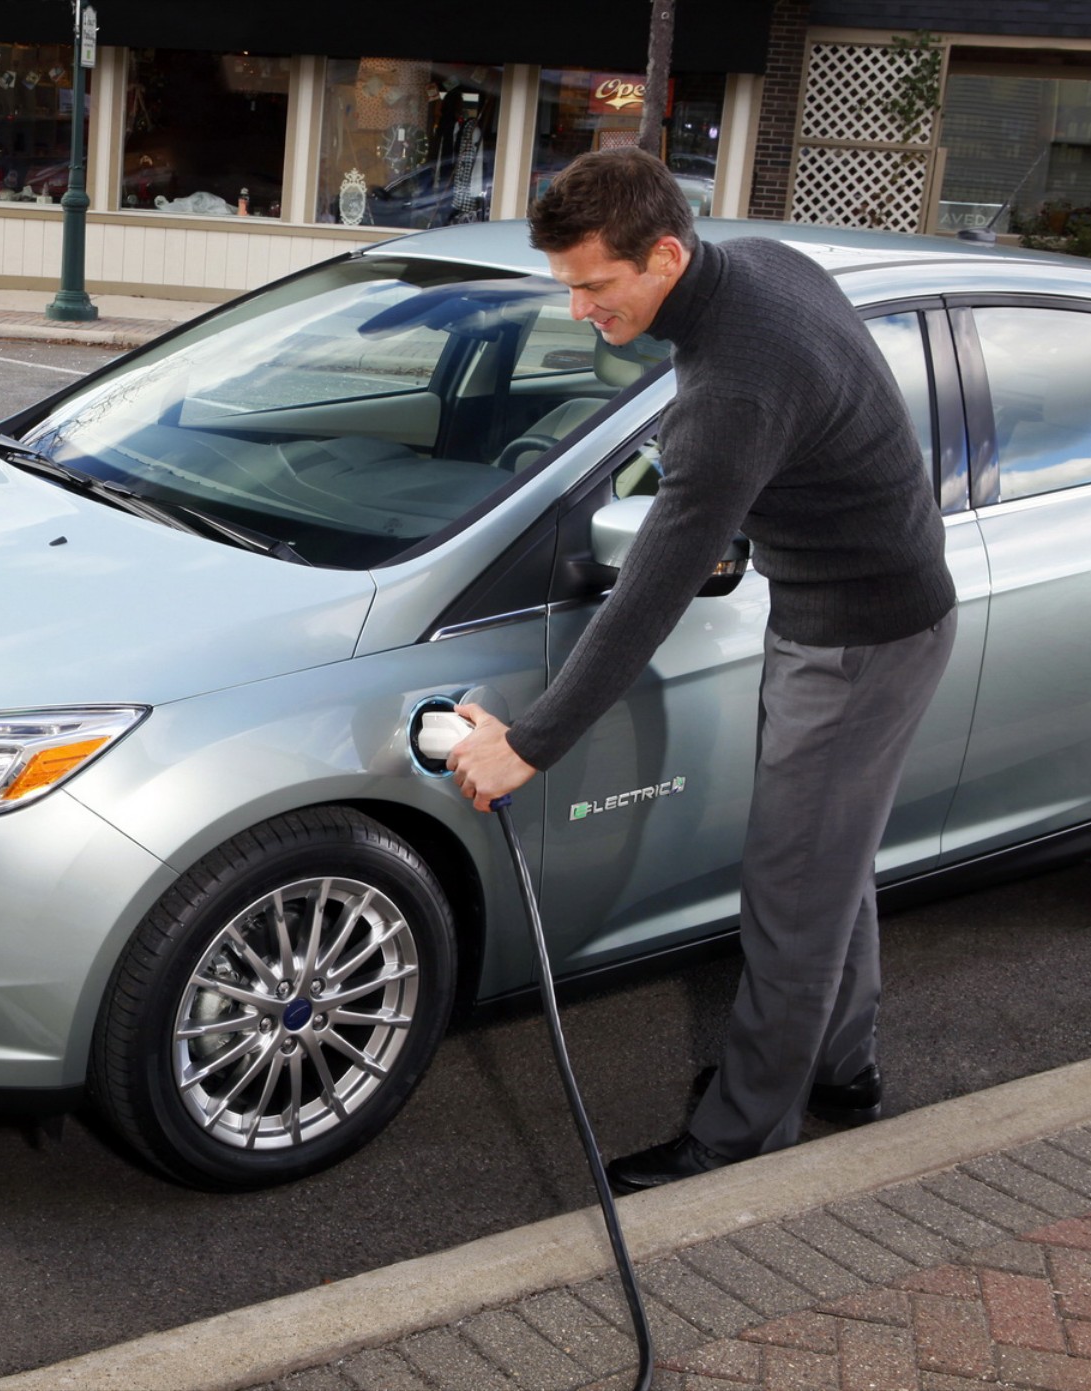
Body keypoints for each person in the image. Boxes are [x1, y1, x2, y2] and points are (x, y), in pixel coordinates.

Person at [445, 148, 957, 1192]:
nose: (579, 307)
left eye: (595, 284)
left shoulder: (728, 388)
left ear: (664, 253)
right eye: (568, 285)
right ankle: (840, 1070)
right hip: (863, 608)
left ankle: (738, 1140)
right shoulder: (764, 263)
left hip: (858, 637)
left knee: (788, 886)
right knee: (827, 862)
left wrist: (526, 745)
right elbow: (825, 417)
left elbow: (648, 593)